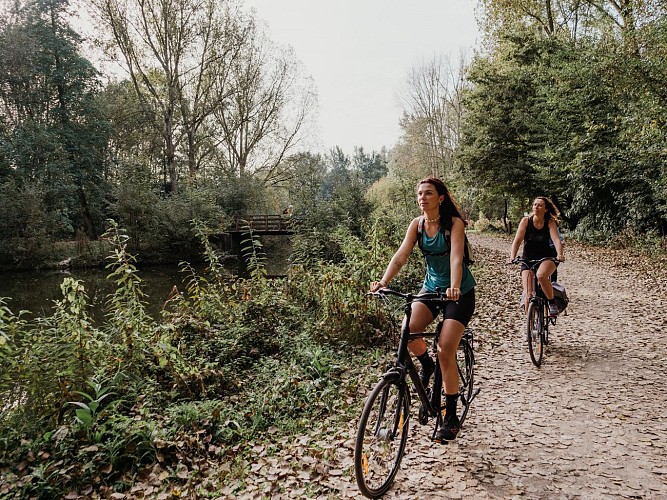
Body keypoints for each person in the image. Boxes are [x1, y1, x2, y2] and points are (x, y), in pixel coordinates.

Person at [370, 176, 476, 443]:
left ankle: (450, 416)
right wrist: (383, 282)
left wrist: (453, 287)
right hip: (430, 288)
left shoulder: (454, 225)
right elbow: (401, 255)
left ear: (440, 198)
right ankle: (427, 367)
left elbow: (455, 258)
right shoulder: (417, 225)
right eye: (419, 194)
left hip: (459, 292)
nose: (422, 198)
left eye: (428, 193)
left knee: (445, 349)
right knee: (408, 331)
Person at [507, 196, 565, 317]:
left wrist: (560, 254)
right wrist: (512, 256)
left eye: (539, 205)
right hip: (528, 258)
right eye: (534, 205)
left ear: (545, 209)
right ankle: (530, 328)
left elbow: (556, 239)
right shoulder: (526, 221)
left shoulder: (550, 222)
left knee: (541, 275)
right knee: (528, 293)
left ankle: (551, 302)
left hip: (547, 257)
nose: (536, 207)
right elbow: (517, 241)